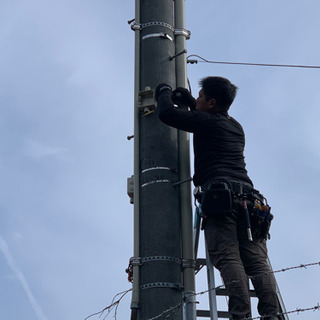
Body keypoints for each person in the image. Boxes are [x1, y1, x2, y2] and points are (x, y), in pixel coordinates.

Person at [155, 77, 280, 320]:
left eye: (200, 96)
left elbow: (167, 114)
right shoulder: (235, 126)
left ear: (212, 102)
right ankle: (271, 315)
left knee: (228, 257)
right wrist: (191, 101)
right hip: (250, 200)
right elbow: (207, 116)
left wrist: (164, 90)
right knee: (256, 262)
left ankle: (240, 315)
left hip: (221, 198)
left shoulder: (206, 122)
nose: (197, 99)